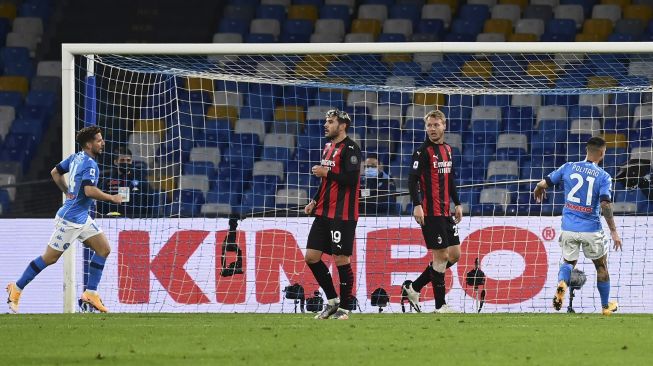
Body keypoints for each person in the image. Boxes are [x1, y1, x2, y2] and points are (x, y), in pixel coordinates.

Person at [6, 126, 122, 313]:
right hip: (70, 220)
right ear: (88, 144)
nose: (103, 143)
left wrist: (68, 192)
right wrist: (112, 198)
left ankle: (90, 294)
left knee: (103, 249)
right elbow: (89, 191)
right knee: (49, 258)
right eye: (99, 140)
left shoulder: (76, 157)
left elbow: (55, 172)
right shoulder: (90, 165)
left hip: (81, 217)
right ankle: (16, 289)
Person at [533, 136, 622, 316]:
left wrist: (538, 188)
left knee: (568, 263)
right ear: (602, 154)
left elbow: (544, 183)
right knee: (601, 267)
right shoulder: (604, 176)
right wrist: (613, 231)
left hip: (569, 228)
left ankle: (562, 285)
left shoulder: (568, 167)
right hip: (591, 229)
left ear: (586, 150)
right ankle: (605, 307)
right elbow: (605, 204)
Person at [402, 110, 463, 313]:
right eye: (429, 125)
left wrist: (458, 203)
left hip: (446, 211)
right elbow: (412, 180)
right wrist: (417, 204)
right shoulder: (422, 152)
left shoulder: (448, 149)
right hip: (430, 211)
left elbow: (450, 179)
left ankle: (414, 287)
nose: (432, 129)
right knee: (441, 256)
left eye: (436, 125)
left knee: (454, 255)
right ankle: (440, 305)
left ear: (444, 125)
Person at [304, 109, 362, 320]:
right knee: (311, 257)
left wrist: (326, 171)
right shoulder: (328, 147)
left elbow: (351, 179)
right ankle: (332, 300)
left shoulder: (351, 149)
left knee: (341, 259)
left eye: (330, 122)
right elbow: (326, 182)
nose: (326, 125)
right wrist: (314, 200)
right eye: (326, 121)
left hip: (343, 214)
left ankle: (345, 308)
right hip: (323, 211)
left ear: (343, 125)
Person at [99, 146, 152, 218]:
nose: (125, 163)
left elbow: (149, 204)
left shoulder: (141, 182)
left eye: (128, 160)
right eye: (122, 160)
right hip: (112, 222)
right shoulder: (106, 182)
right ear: (115, 162)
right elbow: (101, 205)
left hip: (137, 222)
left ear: (131, 161)